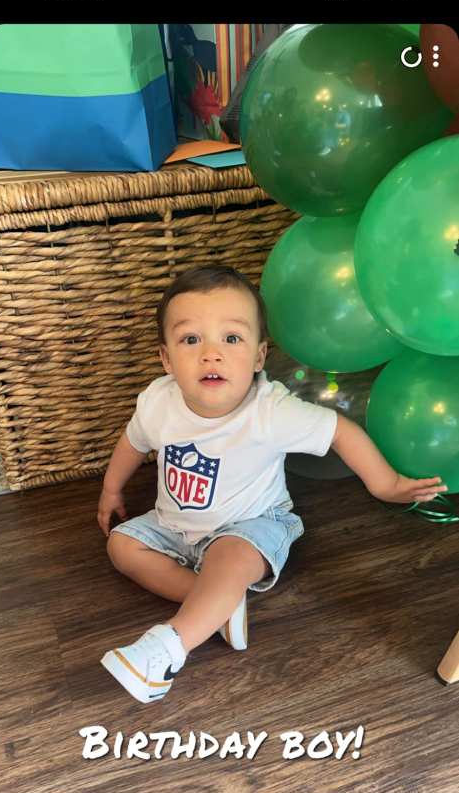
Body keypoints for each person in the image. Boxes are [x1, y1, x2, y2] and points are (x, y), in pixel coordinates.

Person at [97, 265, 447, 704]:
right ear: (167, 359)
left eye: (231, 338)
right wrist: (111, 490)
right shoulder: (158, 402)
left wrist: (386, 484)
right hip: (174, 524)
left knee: (231, 559)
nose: (211, 354)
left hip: (250, 524)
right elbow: (133, 442)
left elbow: (340, 431)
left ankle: (165, 650)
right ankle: (220, 607)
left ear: (259, 357)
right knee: (121, 547)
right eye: (191, 340)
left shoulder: (270, 411)